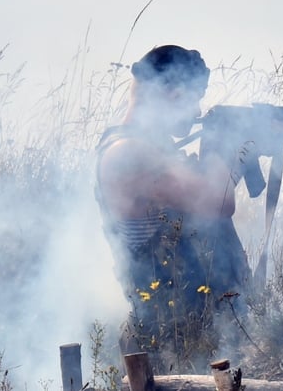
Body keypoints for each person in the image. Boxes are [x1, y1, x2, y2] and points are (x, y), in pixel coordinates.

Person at [95, 45, 254, 373]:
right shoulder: (129, 152)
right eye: (192, 97)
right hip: (168, 341)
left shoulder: (152, 149)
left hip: (191, 334)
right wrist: (222, 146)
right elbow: (217, 202)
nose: (197, 111)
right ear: (170, 92)